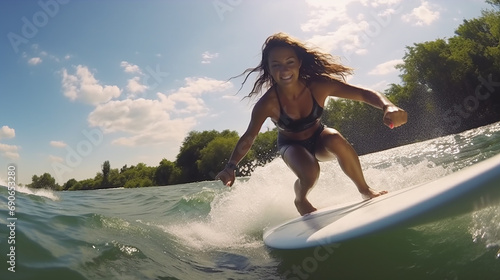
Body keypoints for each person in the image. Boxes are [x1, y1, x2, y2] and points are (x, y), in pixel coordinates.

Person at [215, 32, 408, 216]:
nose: (284, 70)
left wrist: (387, 106)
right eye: (276, 65)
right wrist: (230, 166)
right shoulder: (267, 104)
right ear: (269, 68)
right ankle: (300, 199)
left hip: (320, 139)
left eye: (290, 62)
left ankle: (365, 190)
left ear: (299, 63)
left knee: (335, 138)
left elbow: (362, 93)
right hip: (291, 145)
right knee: (310, 172)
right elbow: (249, 136)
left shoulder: (318, 85)